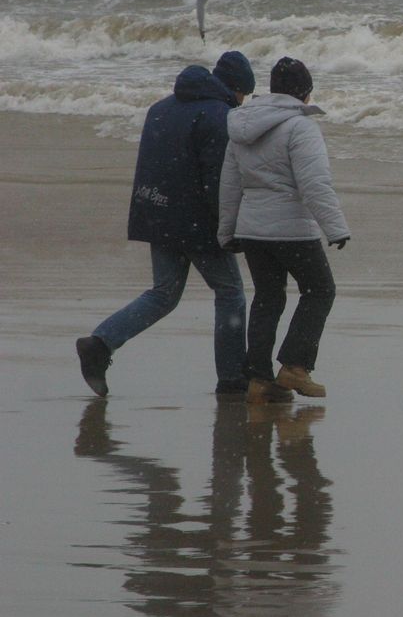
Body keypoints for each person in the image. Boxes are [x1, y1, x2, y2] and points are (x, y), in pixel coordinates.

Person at [76, 51, 256, 398]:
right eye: (243, 96)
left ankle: (100, 343)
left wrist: (153, 210)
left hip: (157, 214)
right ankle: (232, 379)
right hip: (194, 222)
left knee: (164, 294)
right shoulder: (219, 116)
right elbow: (217, 182)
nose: (242, 102)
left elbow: (156, 165)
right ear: (235, 89)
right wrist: (229, 228)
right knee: (230, 292)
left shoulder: (161, 108)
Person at [218, 57, 350, 404]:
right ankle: (295, 366)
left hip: (253, 232)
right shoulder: (300, 128)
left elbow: (230, 185)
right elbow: (314, 184)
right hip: (291, 230)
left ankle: (259, 379)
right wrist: (335, 228)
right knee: (320, 290)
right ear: (306, 93)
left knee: (268, 297)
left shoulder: (242, 126)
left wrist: (227, 231)